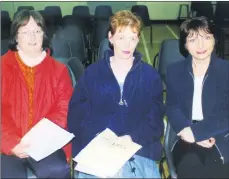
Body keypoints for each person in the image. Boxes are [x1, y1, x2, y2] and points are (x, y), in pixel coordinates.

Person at [67, 10, 164, 178]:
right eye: (121, 38)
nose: (127, 45)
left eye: (132, 38)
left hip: (137, 146)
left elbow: (155, 120)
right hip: (98, 146)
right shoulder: (92, 74)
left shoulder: (150, 76)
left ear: (138, 40)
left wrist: (132, 137)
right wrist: (102, 141)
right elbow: (77, 115)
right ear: (110, 38)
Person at [1, 9, 73, 178]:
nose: (32, 37)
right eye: (25, 32)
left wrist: (38, 141)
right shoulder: (2, 67)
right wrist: (11, 143)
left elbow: (63, 111)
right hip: (8, 143)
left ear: (44, 35)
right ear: (16, 37)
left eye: (37, 31)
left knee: (56, 170)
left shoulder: (59, 71)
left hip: (45, 144)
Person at [166, 16, 229, 178]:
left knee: (217, 169)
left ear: (215, 40)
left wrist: (199, 132)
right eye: (193, 40)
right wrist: (189, 132)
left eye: (207, 38)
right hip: (185, 134)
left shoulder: (226, 71)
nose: (201, 45)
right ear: (185, 45)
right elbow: (172, 107)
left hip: (221, 135)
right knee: (190, 165)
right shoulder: (174, 71)